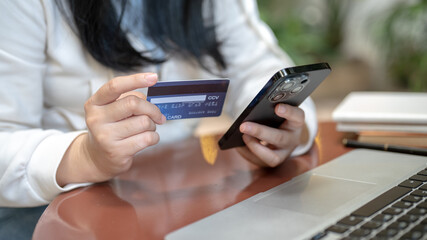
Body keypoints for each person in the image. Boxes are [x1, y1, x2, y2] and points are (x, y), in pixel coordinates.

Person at [0, 0, 317, 234]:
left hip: (181, 194)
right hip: (53, 209)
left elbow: (258, 67)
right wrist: (84, 155)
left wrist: (281, 124)